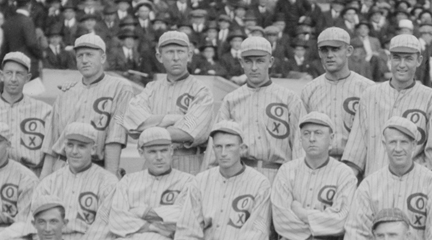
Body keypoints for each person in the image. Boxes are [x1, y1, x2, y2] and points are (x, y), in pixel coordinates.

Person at [249, 112, 357, 240]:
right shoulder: (287, 170)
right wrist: (321, 221)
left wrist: (302, 213)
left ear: (331, 139)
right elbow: (281, 221)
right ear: (301, 139)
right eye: (306, 134)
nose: (312, 138)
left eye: (318, 133)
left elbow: (341, 221)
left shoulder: (344, 174)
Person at [170, 121, 272, 240]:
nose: (223, 152)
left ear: (242, 148)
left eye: (229, 146)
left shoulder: (260, 183)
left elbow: (257, 234)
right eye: (218, 147)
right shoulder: (201, 180)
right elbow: (190, 222)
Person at [342, 33, 432, 177]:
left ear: (418, 60)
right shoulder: (370, 95)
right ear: (389, 59)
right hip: (375, 183)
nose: (401, 65)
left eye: (408, 59)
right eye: (397, 58)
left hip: (414, 184)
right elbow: (356, 149)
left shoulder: (431, 98)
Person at [205, 36, 305, 183]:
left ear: (270, 62)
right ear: (241, 62)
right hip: (240, 176)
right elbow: (216, 146)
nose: (253, 67)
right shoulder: (231, 100)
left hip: (278, 175)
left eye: (260, 61)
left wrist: (298, 182)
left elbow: (300, 146)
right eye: (248, 61)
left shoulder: (289, 98)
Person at [117, 31, 213, 174]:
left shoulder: (201, 90)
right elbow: (131, 122)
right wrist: (170, 119)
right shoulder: (151, 88)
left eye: (180, 51)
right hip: (153, 163)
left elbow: (190, 132)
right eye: (169, 52)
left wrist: (149, 128)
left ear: (190, 55)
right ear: (159, 57)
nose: (175, 58)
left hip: (188, 161)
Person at [40, 33, 135, 178]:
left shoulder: (120, 88)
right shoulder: (65, 92)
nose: (84, 60)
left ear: (102, 58)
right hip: (63, 169)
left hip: (98, 167)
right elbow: (51, 145)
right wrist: (43, 183)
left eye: (89, 55)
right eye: (80, 56)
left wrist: (110, 180)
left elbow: (115, 139)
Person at [31, 122, 119, 240]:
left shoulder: (108, 182)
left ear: (93, 149)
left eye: (81, 146)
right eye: (70, 145)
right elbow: (35, 222)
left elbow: (104, 226)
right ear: (64, 147)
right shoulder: (49, 183)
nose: (74, 151)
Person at [299, 27, 373, 160]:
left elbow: (374, 136)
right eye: (324, 50)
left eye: (335, 49)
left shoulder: (368, 89)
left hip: (358, 166)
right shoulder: (309, 90)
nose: (329, 55)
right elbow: (302, 137)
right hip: (319, 165)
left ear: (349, 51)